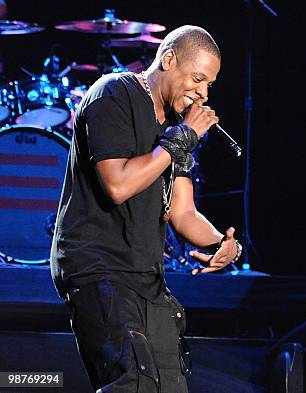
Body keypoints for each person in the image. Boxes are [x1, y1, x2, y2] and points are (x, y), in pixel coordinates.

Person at [50, 26, 241, 393]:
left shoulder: (174, 127)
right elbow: (118, 184)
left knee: (169, 386)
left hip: (146, 276)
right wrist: (182, 138)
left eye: (209, 85)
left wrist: (223, 245)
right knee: (134, 384)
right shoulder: (113, 94)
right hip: (97, 266)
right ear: (168, 60)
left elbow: (183, 212)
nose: (202, 92)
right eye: (197, 78)